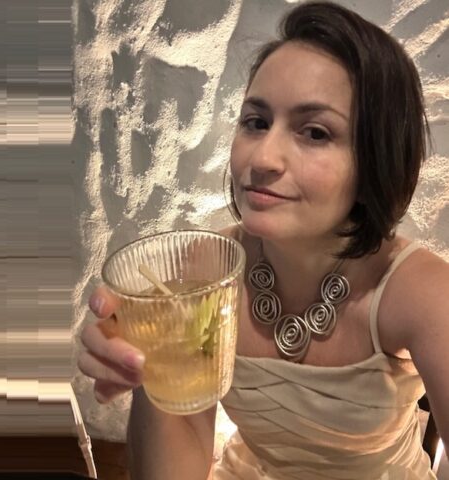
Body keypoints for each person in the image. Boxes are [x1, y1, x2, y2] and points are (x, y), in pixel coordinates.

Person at [77, 1, 449, 479]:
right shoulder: (203, 270)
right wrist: (153, 364)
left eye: (315, 132)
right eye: (256, 122)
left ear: (376, 158)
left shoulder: (424, 293)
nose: (263, 158)